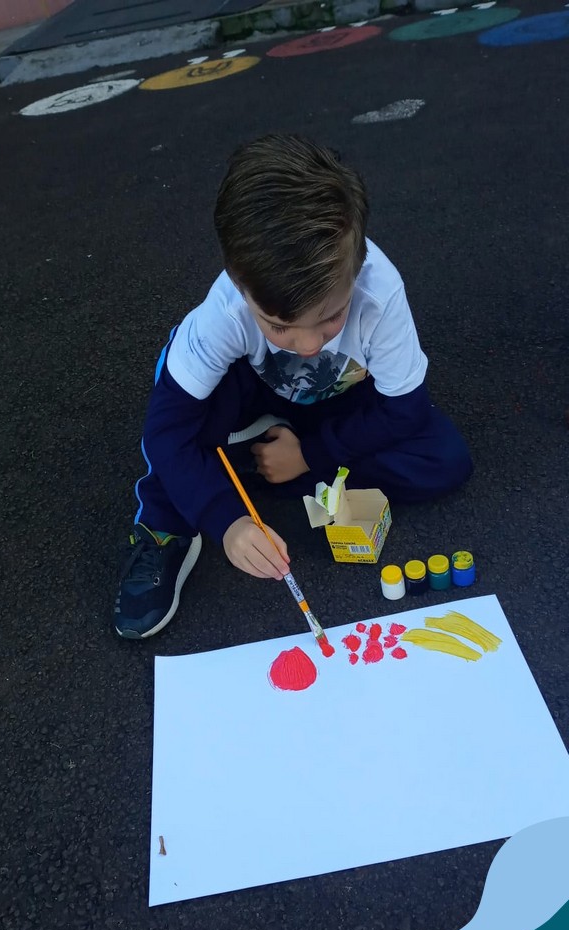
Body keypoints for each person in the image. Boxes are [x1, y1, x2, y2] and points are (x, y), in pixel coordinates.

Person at [114, 134, 472, 639]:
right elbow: (164, 431)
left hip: (335, 402)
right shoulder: (225, 313)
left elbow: (406, 409)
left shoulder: (380, 292)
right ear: (238, 283)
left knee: (445, 459)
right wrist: (226, 521)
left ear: (357, 268)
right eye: (279, 326)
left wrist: (309, 454)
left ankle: (254, 466)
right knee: (179, 437)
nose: (307, 346)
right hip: (252, 392)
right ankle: (166, 523)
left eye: (331, 318)